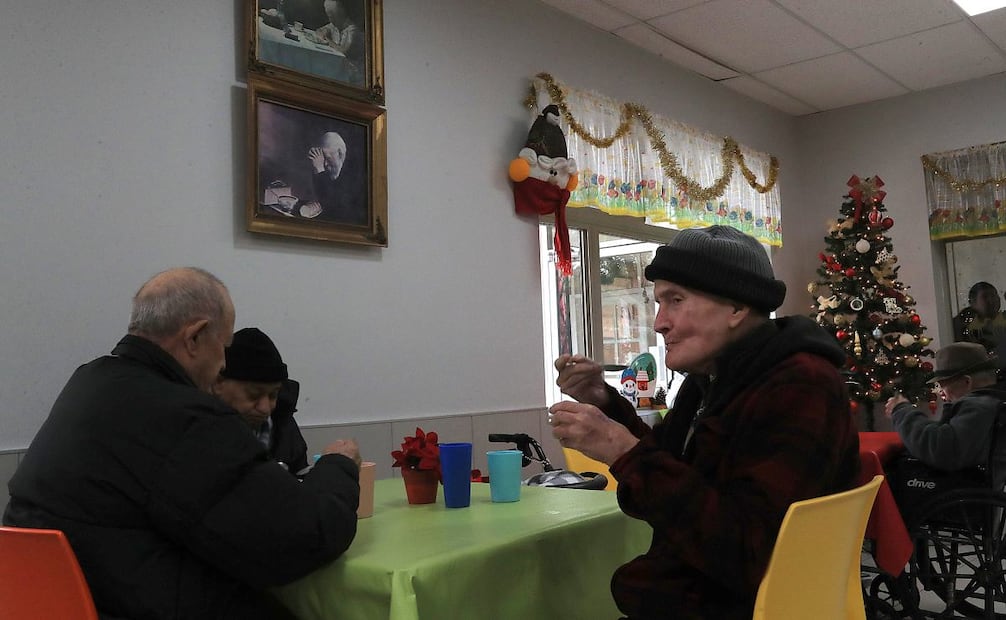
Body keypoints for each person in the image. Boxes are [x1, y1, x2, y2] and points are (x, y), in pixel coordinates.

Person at [3, 267, 361, 620]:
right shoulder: (184, 416)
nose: (223, 364)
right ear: (195, 338)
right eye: (224, 347)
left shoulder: (90, 382)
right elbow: (301, 539)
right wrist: (338, 465)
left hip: (60, 602)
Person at [549, 226, 859, 620]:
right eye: (658, 303)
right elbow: (670, 464)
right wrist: (605, 402)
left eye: (675, 300)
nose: (659, 323)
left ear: (737, 307)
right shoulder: (716, 377)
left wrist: (619, 448)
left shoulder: (799, 386)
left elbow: (742, 550)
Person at [885, 342, 1006, 491]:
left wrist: (902, 410)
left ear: (967, 382)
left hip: (964, 496)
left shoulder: (978, 407)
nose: (942, 392)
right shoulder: (993, 401)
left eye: (944, 385)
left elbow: (941, 449)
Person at [211, 327, 309, 476]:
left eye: (273, 395)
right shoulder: (196, 432)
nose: (265, 408)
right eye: (254, 395)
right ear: (218, 383)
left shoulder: (284, 424)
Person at [306, 130, 366, 225]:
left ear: (340, 153)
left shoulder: (355, 173)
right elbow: (322, 198)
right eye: (322, 159)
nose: (324, 164)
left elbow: (336, 207)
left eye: (328, 158)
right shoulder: (327, 168)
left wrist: (320, 170)